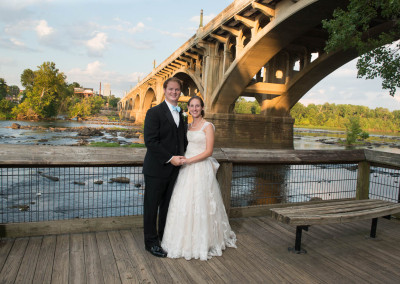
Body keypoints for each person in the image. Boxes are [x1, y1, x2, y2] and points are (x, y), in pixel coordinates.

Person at [161, 96, 237, 261]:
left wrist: (189, 160)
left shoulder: (208, 126)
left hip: (200, 167)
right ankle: (184, 242)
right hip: (186, 168)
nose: (194, 109)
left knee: (202, 203)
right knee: (184, 203)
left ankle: (203, 241)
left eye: (197, 106)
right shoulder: (187, 126)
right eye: (192, 106)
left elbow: (208, 151)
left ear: (202, 108)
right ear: (188, 108)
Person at [142, 77, 188, 258]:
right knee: (151, 208)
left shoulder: (181, 112)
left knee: (168, 206)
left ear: (180, 92)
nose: (174, 92)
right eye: (171, 89)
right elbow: (150, 141)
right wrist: (170, 158)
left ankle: (163, 238)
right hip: (156, 169)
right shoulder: (154, 112)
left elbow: (181, 140)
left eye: (177, 90)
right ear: (164, 90)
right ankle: (151, 243)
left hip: (175, 170)